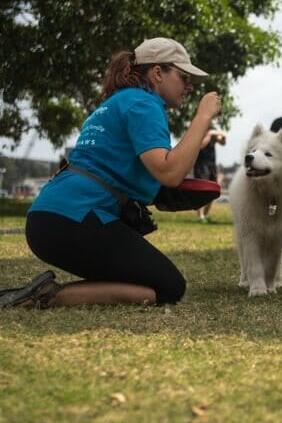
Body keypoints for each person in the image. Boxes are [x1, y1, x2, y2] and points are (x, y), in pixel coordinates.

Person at [0, 37, 221, 309]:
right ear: (158, 73)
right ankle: (45, 296)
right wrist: (202, 118)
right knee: (168, 287)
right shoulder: (144, 104)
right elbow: (169, 172)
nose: (188, 86)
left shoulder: (118, 101)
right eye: (183, 76)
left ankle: (39, 294)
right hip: (73, 218)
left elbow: (118, 169)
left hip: (51, 217)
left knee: (152, 283)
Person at [194, 125, 226, 223]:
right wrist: (209, 134)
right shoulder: (198, 128)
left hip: (211, 164)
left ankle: (205, 215)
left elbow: (222, 143)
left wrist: (223, 138)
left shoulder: (213, 128)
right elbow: (201, 146)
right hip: (201, 164)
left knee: (213, 190)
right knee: (201, 191)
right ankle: (200, 216)